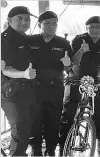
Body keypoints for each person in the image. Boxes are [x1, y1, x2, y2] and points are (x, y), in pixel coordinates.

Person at [59, 16, 100, 156]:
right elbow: (72, 62)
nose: (95, 30)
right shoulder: (79, 39)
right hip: (75, 80)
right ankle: (64, 145)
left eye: (98, 27)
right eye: (91, 27)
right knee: (68, 112)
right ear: (87, 28)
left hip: (94, 82)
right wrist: (81, 50)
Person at [29, 11, 72, 156]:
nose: (51, 26)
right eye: (47, 23)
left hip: (56, 87)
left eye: (54, 23)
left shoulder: (63, 43)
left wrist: (68, 64)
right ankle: (36, 150)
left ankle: (51, 149)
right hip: (35, 87)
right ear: (39, 24)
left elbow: (69, 68)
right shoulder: (31, 40)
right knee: (35, 121)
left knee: (53, 121)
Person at [1, 6, 36, 156]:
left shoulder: (25, 38)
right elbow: (5, 69)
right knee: (21, 131)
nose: (24, 22)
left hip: (27, 90)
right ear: (9, 20)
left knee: (26, 129)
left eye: (27, 19)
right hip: (10, 90)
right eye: (19, 18)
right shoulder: (5, 39)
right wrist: (23, 74)